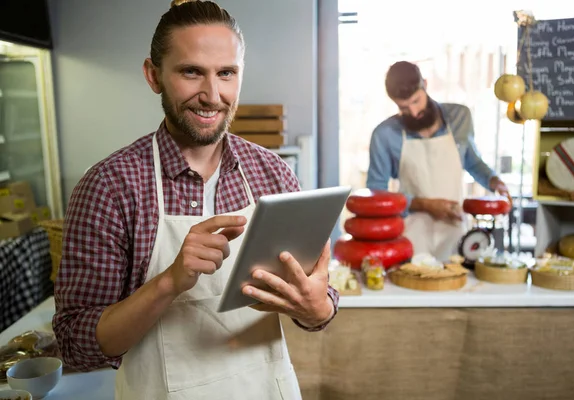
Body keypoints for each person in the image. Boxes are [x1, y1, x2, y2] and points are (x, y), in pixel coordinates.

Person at [52, 1, 338, 399]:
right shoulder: (109, 187)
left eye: (226, 73)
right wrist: (169, 283)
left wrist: (316, 308)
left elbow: (320, 305)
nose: (212, 94)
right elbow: (75, 345)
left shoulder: (274, 174)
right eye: (191, 72)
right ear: (154, 76)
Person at [366, 61, 511, 261]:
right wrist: (424, 204)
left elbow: (472, 161)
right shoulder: (384, 135)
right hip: (412, 234)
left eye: (416, 101)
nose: (414, 113)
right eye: (404, 108)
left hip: (454, 231)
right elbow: (377, 193)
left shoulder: (460, 117)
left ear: (425, 84)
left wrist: (496, 182)